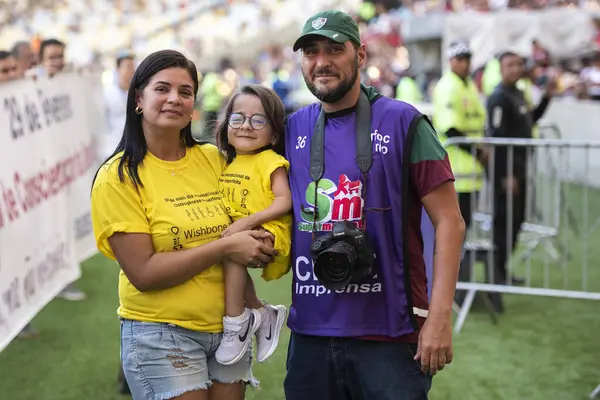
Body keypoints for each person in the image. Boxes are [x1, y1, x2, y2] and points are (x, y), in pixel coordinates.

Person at [284, 10, 465, 399]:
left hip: (390, 335)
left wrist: (440, 316)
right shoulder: (294, 127)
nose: (322, 62)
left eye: (335, 49)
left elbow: (450, 221)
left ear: (361, 56)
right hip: (311, 333)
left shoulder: (405, 122)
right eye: (311, 52)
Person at [90, 49, 277, 400]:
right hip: (160, 334)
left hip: (227, 330)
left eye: (185, 92)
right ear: (138, 100)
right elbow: (143, 274)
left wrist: (264, 241)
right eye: (162, 89)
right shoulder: (116, 178)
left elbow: (249, 217)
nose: (174, 98)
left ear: (193, 106)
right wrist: (225, 247)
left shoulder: (214, 158)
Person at [213, 84, 291, 366]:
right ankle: (261, 312)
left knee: (231, 253)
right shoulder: (229, 164)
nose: (246, 126)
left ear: (274, 134)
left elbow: (284, 201)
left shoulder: (270, 160)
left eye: (258, 120)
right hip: (243, 230)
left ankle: (237, 322)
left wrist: (248, 221)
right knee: (228, 252)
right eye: (238, 118)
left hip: (270, 229)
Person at [485, 51, 554, 313]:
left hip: (522, 170)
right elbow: (498, 139)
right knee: (504, 224)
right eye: (509, 65)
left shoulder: (518, 93)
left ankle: (502, 271)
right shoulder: (499, 97)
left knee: (517, 221)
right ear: (500, 69)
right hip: (508, 174)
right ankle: (495, 278)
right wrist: (505, 175)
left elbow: (529, 121)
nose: (515, 69)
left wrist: (547, 98)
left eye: (518, 64)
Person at [432, 40, 487, 304]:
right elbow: (450, 129)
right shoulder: (448, 86)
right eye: (460, 58)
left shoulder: (469, 86)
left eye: (467, 58)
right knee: (452, 236)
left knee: (462, 236)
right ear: (451, 61)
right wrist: (479, 152)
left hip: (471, 175)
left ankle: (458, 288)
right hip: (454, 173)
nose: (465, 63)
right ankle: (447, 291)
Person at [102, 49, 135, 162]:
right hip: (112, 149)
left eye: (132, 67)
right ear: (118, 69)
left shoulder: (138, 94)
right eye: (127, 66)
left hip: (133, 149)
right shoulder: (107, 94)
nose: (131, 70)